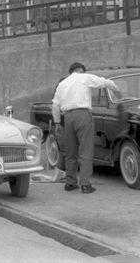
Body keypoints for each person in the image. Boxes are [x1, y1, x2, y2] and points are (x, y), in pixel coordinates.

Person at [51, 62, 119, 194]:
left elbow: (55, 105)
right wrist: (115, 87)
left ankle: (70, 183)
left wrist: (57, 123)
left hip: (68, 117)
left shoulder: (62, 84)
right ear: (80, 70)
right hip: (83, 115)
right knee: (86, 150)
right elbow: (102, 81)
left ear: (70, 72)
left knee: (70, 152)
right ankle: (85, 184)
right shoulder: (84, 77)